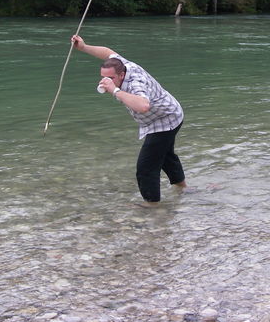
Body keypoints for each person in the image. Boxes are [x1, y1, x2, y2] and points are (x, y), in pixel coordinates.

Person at [71, 34, 187, 202]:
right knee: (165, 155)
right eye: (103, 77)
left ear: (122, 75)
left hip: (165, 120)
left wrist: (115, 91)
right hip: (168, 113)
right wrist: (83, 47)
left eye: (110, 78)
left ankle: (153, 207)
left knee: (146, 168)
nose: (106, 81)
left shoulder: (135, 83)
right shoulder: (120, 65)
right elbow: (107, 52)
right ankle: (183, 188)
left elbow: (143, 106)